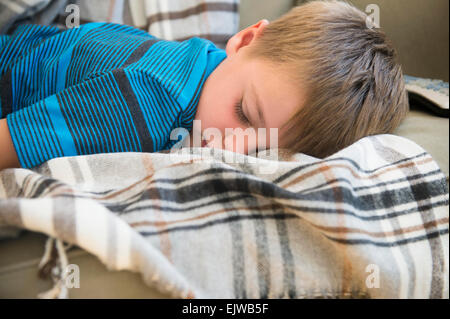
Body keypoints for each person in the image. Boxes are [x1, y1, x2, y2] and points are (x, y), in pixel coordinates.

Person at [0, 0, 409, 170]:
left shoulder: (212, 66)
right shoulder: (145, 100)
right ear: (246, 40)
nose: (227, 148)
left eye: (267, 151)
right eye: (244, 114)